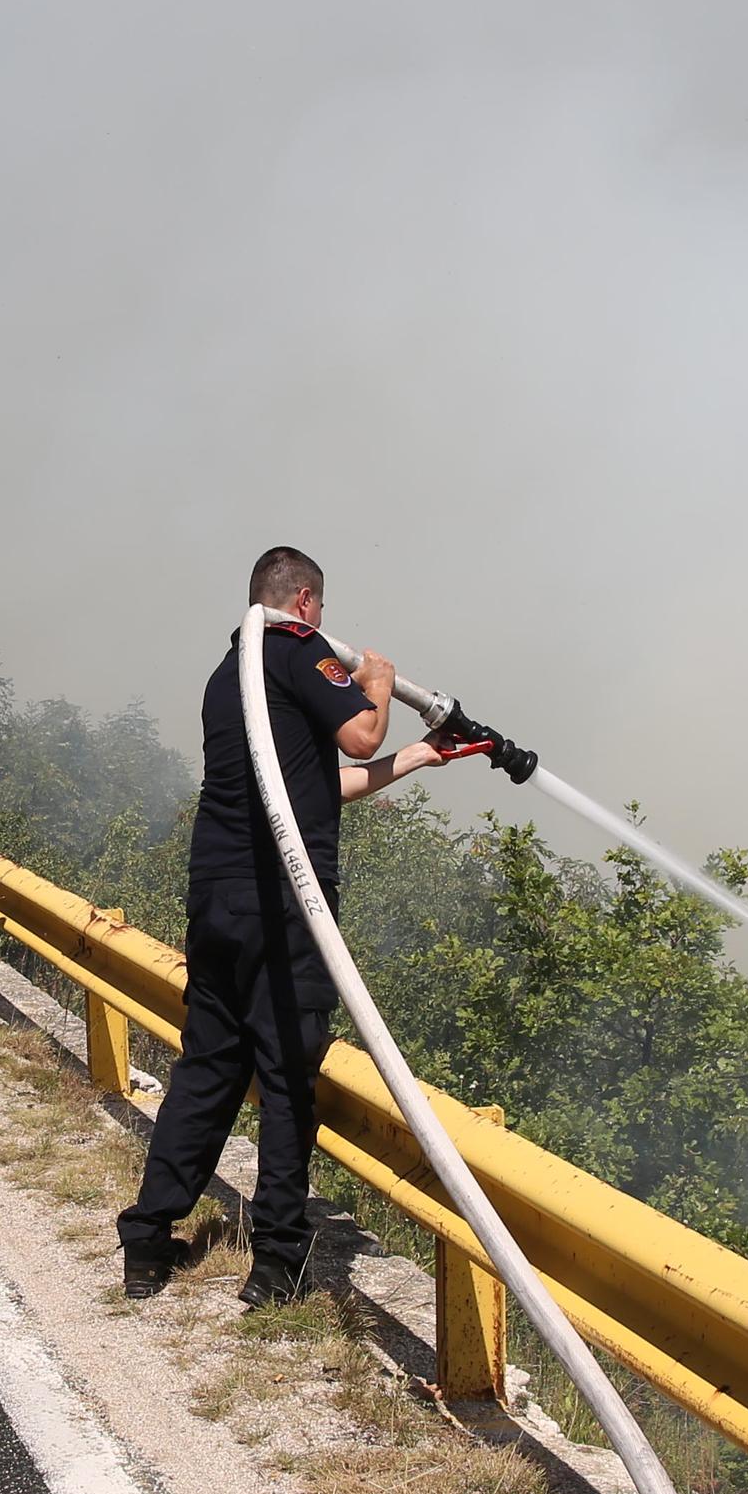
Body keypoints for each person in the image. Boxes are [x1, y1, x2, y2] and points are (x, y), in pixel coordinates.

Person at [115, 545, 513, 1307]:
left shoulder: (227, 675)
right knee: (289, 1077)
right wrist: (381, 683)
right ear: (304, 602)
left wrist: (422, 755)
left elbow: (319, 786)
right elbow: (360, 735)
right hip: (285, 905)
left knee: (208, 1068)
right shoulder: (299, 653)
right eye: (321, 610)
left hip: (219, 897)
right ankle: (277, 1263)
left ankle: (146, 1238)